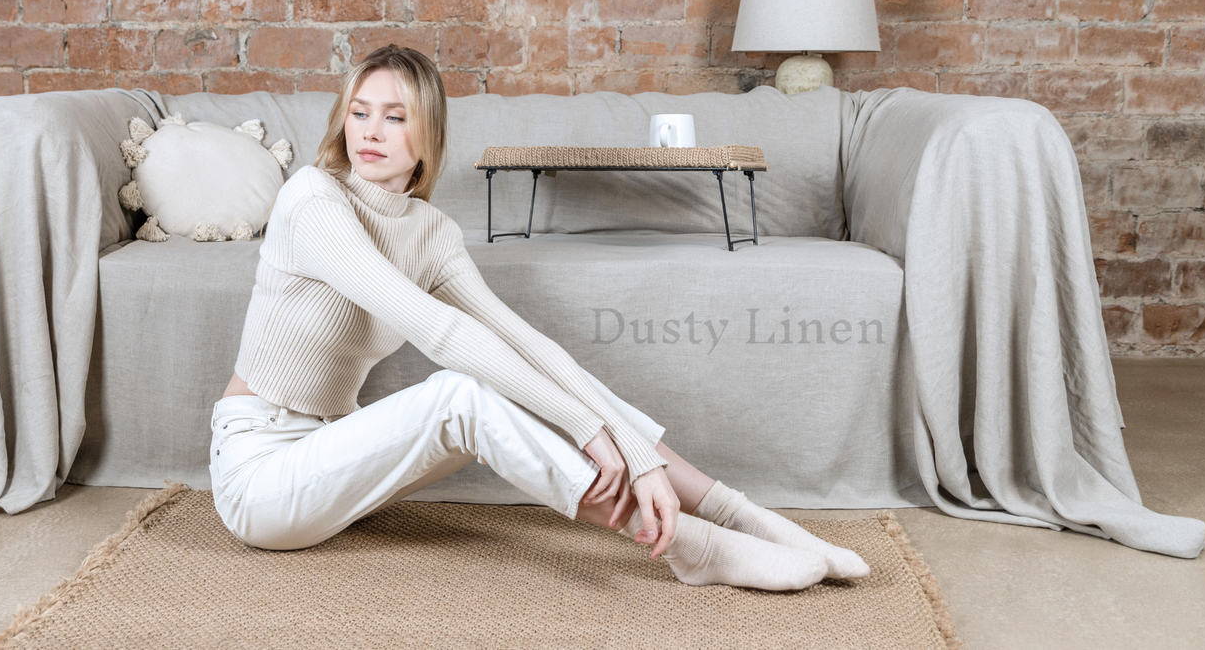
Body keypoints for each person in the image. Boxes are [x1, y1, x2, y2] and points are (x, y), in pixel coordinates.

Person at [211, 44, 870, 590]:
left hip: (341, 455)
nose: (371, 133)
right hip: (260, 477)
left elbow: (527, 345)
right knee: (458, 395)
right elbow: (441, 333)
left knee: (525, 374)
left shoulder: (430, 231)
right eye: (359, 113)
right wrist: (586, 430)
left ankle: (741, 515)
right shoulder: (312, 201)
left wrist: (635, 451)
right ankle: (690, 545)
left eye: (394, 117)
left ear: (426, 135)